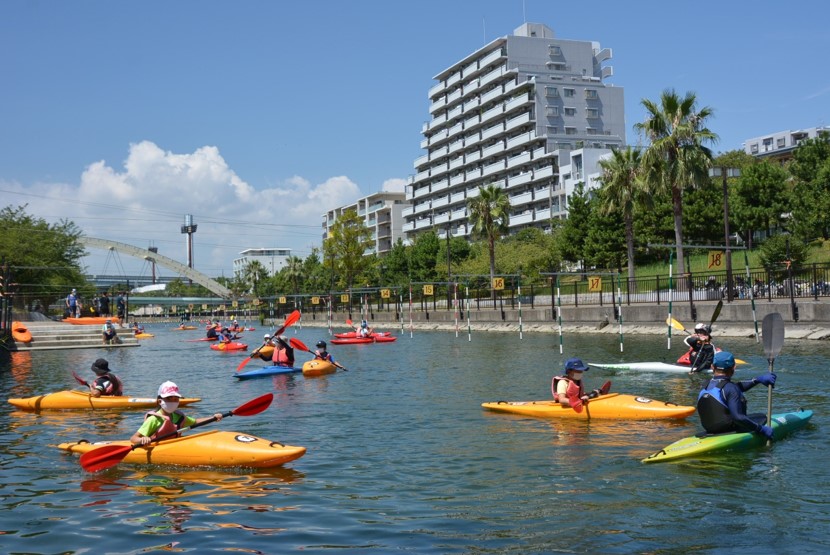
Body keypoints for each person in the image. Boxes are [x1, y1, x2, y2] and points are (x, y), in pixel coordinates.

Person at [697, 351, 777, 439]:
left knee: (755, 416)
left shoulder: (704, 385)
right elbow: (738, 418)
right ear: (734, 367)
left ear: (712, 366)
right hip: (728, 429)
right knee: (761, 417)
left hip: (709, 428)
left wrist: (757, 380)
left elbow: (733, 388)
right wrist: (760, 429)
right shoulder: (731, 388)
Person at [130, 381, 223, 446]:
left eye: (175, 399)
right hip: (158, 448)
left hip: (174, 445)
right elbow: (133, 438)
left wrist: (213, 418)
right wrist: (142, 439)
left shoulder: (179, 416)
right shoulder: (154, 419)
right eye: (169, 399)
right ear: (159, 401)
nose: (173, 402)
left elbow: (195, 422)